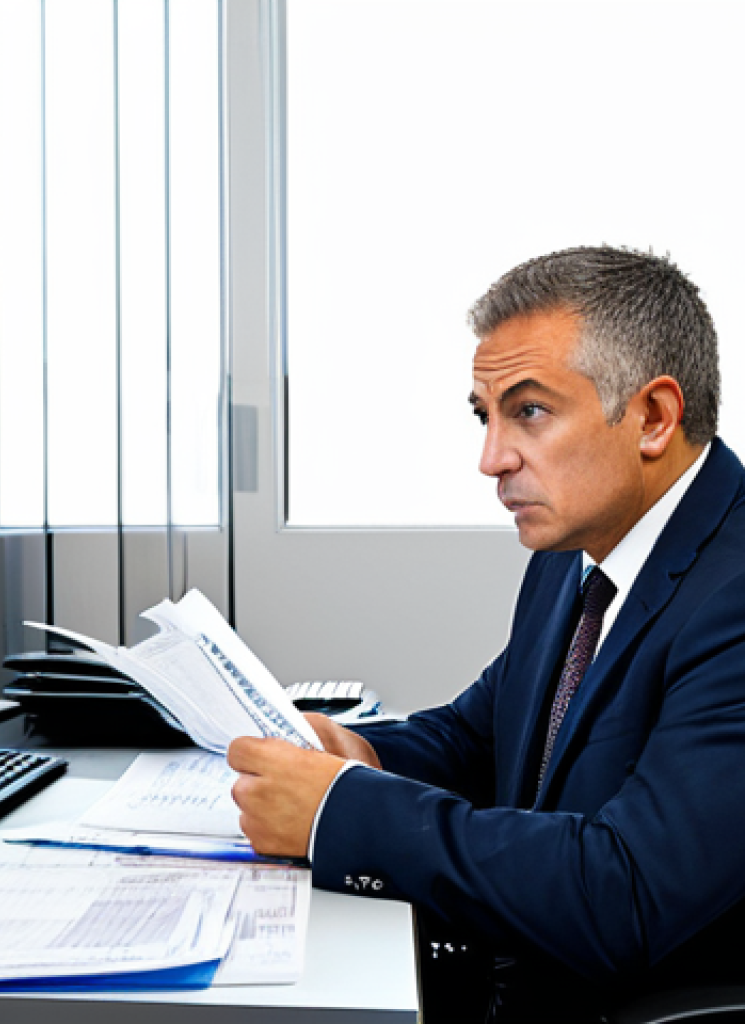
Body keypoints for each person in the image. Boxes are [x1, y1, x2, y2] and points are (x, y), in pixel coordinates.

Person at [228, 246, 745, 1022]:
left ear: (654, 417)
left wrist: (342, 809)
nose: (490, 458)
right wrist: (362, 753)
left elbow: (626, 892)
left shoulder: (734, 595)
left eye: (529, 411)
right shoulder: (577, 551)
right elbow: (484, 737)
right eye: (486, 415)